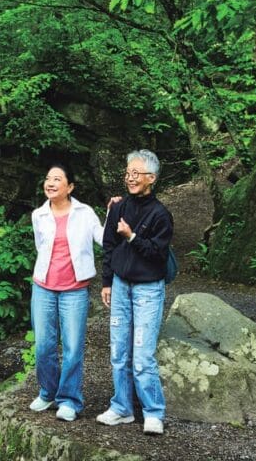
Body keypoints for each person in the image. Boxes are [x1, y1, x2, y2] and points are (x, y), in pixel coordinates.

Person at [96, 149, 174, 436]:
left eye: (136, 173)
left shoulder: (161, 214)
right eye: (128, 173)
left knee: (142, 355)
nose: (130, 178)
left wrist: (132, 236)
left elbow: (157, 254)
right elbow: (108, 244)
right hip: (120, 285)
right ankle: (122, 407)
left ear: (151, 178)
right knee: (118, 351)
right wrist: (106, 281)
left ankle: (154, 412)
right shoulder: (117, 207)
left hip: (148, 290)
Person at [29, 163, 105, 422]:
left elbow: (104, 239)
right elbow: (41, 247)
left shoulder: (85, 213)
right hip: (43, 289)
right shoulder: (38, 215)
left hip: (74, 291)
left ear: (70, 187)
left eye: (57, 179)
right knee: (44, 347)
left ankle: (70, 400)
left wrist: (118, 214)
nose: (50, 183)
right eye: (48, 178)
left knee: (72, 348)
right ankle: (48, 392)